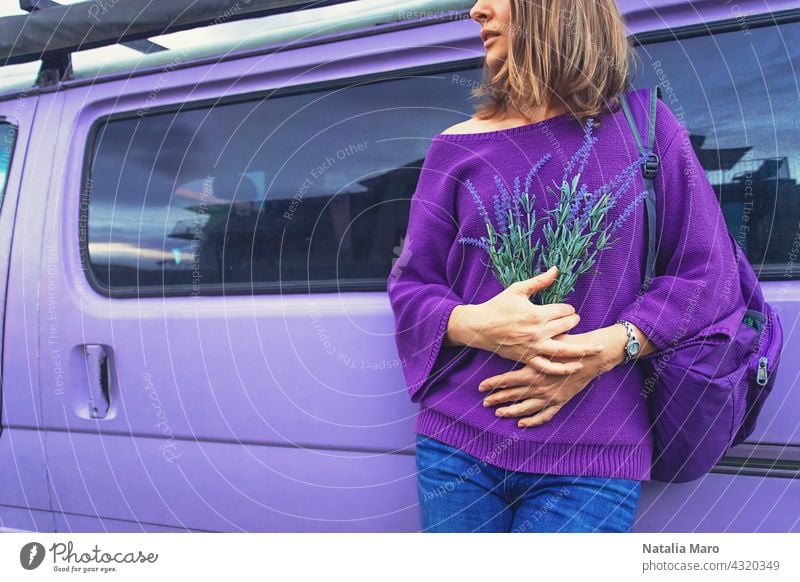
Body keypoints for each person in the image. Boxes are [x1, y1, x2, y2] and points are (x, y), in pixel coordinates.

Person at [386, 0, 741, 532]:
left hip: (592, 455)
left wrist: (607, 348)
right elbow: (412, 284)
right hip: (456, 444)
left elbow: (706, 274)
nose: (476, 11)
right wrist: (474, 324)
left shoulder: (646, 128)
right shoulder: (454, 147)